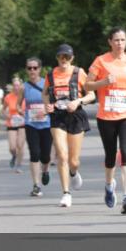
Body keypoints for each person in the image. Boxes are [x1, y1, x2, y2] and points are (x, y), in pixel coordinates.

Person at [87, 29, 126, 214]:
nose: (119, 43)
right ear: (110, 42)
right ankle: (109, 186)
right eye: (116, 40)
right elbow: (87, 85)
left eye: (123, 39)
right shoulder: (101, 61)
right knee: (110, 156)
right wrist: (103, 82)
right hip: (107, 115)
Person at [44, 44, 94, 208]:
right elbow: (45, 93)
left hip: (75, 116)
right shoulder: (50, 75)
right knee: (62, 155)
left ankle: (73, 172)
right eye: (61, 56)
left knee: (74, 160)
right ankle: (66, 193)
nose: (63, 59)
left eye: (67, 56)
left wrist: (78, 101)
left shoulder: (79, 73)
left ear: (72, 58)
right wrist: (48, 105)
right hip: (57, 116)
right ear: (57, 58)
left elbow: (91, 95)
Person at [20, 59, 53, 196]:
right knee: (34, 154)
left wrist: (48, 109)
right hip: (31, 124)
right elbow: (18, 104)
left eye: (35, 68)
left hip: (46, 124)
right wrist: (21, 111)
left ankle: (45, 170)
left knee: (45, 156)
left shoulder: (47, 84)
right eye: (29, 68)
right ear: (26, 70)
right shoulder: (24, 87)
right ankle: (36, 185)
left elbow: (53, 102)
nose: (32, 71)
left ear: (40, 69)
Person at [2, 76, 26, 173]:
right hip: (11, 123)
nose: (16, 87)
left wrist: (25, 114)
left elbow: (29, 108)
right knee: (12, 147)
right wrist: (7, 115)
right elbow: (3, 110)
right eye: (14, 85)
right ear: (12, 86)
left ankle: (19, 165)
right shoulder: (8, 97)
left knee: (20, 145)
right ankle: (14, 155)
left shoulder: (25, 96)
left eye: (18, 85)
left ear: (21, 86)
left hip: (23, 123)